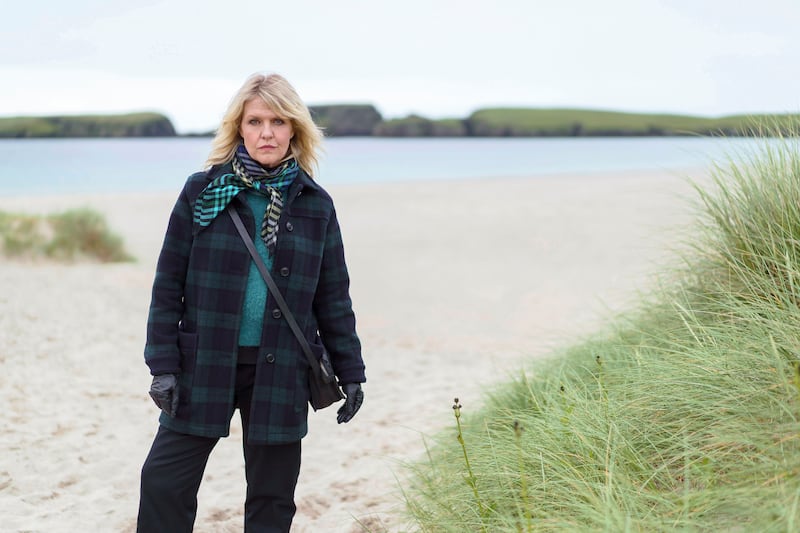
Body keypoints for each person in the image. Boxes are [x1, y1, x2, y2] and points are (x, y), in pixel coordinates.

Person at [137, 72, 366, 532]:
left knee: (272, 499)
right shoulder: (201, 192)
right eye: (256, 120)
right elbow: (167, 287)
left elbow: (333, 298)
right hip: (203, 361)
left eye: (279, 122)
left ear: (294, 130)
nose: (267, 132)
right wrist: (161, 364)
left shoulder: (316, 205)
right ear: (239, 128)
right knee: (163, 483)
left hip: (282, 368)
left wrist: (352, 372)